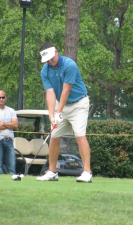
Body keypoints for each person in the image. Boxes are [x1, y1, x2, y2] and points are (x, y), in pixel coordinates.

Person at [36, 42, 92, 183]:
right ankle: (52, 171)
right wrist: (52, 115)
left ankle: (87, 172)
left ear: (56, 51)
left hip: (78, 104)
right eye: (47, 59)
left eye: (51, 57)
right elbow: (50, 93)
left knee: (79, 135)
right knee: (54, 136)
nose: (50, 61)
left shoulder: (69, 65)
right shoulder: (45, 71)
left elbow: (66, 91)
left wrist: (59, 111)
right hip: (60, 105)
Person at [0, 90, 18, 174]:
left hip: (9, 140)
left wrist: (3, 123)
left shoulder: (11, 110)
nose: (1, 99)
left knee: (12, 166)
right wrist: (9, 125)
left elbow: (15, 125)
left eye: (3, 97)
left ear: (5, 98)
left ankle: (13, 184)